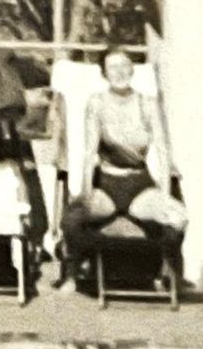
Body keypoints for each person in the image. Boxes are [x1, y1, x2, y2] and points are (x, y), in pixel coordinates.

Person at [68, 49, 187, 252]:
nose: (119, 72)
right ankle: (79, 266)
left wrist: (166, 197)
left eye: (124, 65)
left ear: (132, 70)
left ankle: (165, 264)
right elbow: (89, 153)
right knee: (72, 221)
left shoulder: (147, 103)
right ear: (104, 73)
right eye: (113, 67)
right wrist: (86, 194)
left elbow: (163, 152)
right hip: (106, 184)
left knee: (178, 218)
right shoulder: (97, 103)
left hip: (139, 184)